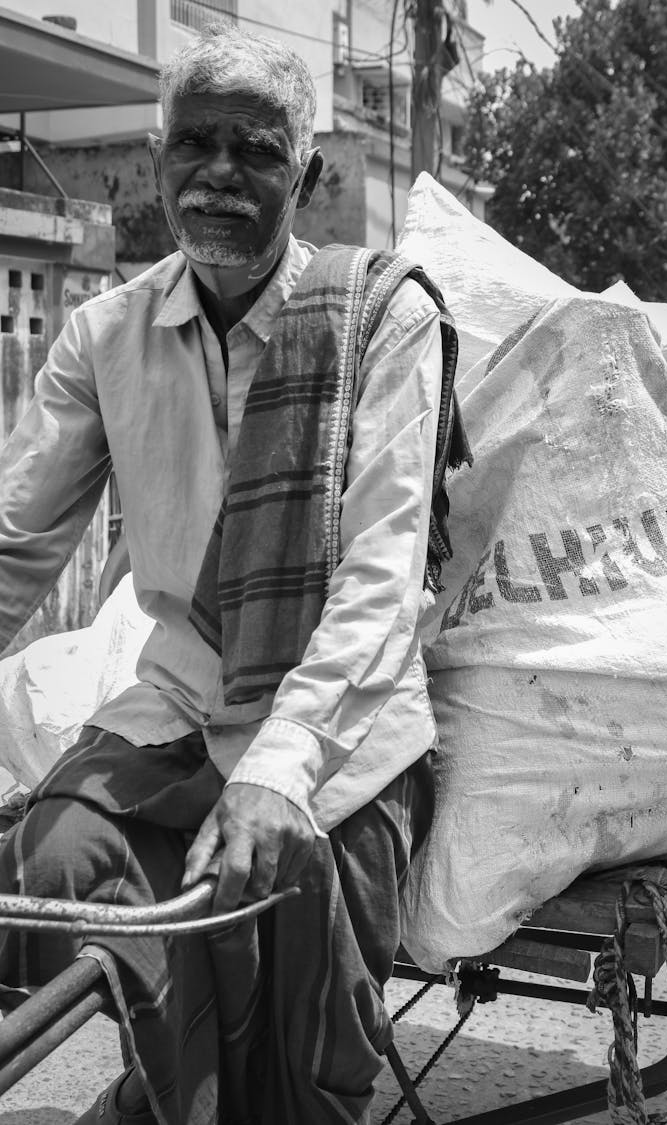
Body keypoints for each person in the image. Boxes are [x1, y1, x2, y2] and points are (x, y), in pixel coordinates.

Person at [0, 22, 468, 1125]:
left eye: (254, 151)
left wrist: (281, 768)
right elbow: (16, 543)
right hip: (176, 696)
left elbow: (383, 572)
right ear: (156, 160)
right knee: (55, 863)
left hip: (340, 713)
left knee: (306, 981)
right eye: (194, 144)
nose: (218, 173)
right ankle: (184, 1093)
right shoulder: (104, 333)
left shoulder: (382, 319)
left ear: (305, 177)